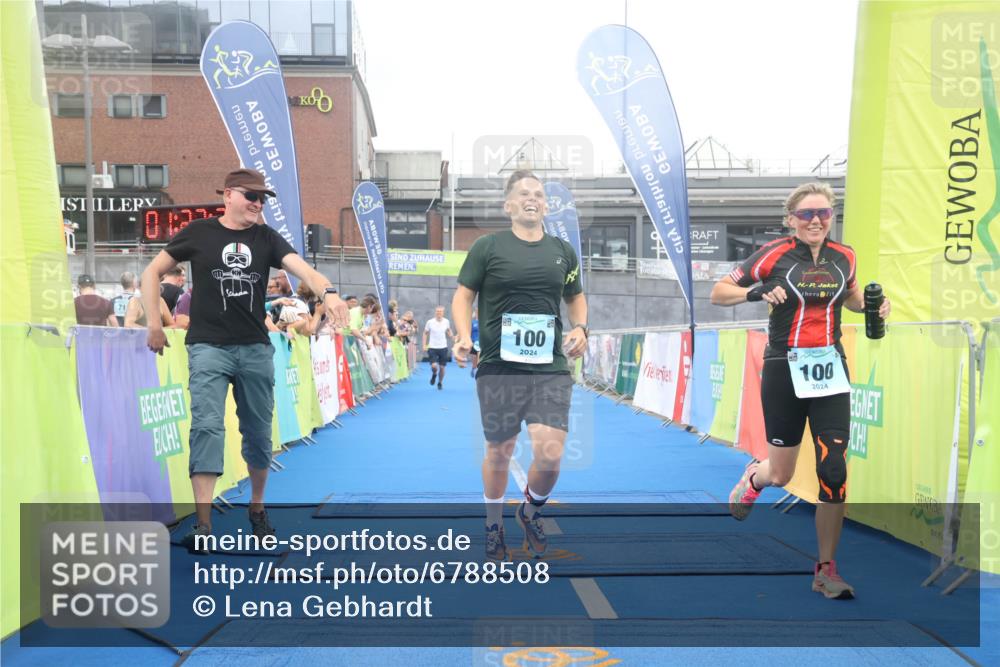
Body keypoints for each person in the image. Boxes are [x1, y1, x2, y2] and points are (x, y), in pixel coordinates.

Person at [140, 168, 349, 553]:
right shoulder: (199, 232)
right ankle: (203, 525)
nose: (257, 204)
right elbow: (152, 272)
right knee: (206, 426)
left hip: (255, 346)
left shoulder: (266, 237)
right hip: (208, 347)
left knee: (256, 430)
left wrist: (331, 293)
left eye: (262, 199)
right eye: (250, 196)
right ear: (228, 196)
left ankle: (256, 507)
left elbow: (302, 269)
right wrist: (155, 323)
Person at [710, 181, 891, 599]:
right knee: (783, 472)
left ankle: (826, 569)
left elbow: (848, 294)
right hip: (783, 367)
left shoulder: (844, 256)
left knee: (834, 468)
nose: (816, 221)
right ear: (791, 220)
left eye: (824, 213)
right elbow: (719, 292)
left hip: (830, 368)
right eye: (807, 214)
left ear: (832, 217)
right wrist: (754, 291)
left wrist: (872, 303)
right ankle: (756, 477)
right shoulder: (773, 254)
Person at [451, 170, 588, 560]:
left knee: (550, 453)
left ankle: (530, 510)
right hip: (499, 366)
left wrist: (581, 327)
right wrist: (464, 335)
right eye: (523, 194)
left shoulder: (562, 250)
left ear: (546, 205)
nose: (532, 199)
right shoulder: (488, 246)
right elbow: (463, 297)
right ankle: (494, 525)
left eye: (539, 194)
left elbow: (576, 298)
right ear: (508, 205)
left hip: (550, 368)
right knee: (500, 450)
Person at [423, 306, 455, 390]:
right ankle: (434, 374)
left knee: (442, 367)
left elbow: (448, 330)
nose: (439, 313)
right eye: (437, 311)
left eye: (440, 312)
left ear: (443, 313)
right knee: (434, 366)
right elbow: (425, 333)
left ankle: (440, 382)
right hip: (432, 347)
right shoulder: (430, 322)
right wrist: (424, 345)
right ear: (435, 312)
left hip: (443, 347)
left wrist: (452, 336)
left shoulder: (446, 321)